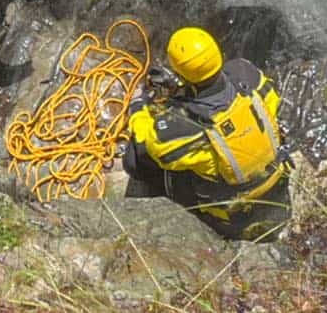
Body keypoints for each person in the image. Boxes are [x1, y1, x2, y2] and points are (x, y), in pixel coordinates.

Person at [122, 26, 289, 241]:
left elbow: (151, 143)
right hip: (275, 187)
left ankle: (200, 216)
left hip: (233, 216)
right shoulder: (247, 74)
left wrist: (138, 108)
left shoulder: (186, 128)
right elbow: (271, 98)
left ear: (180, 74)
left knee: (134, 159)